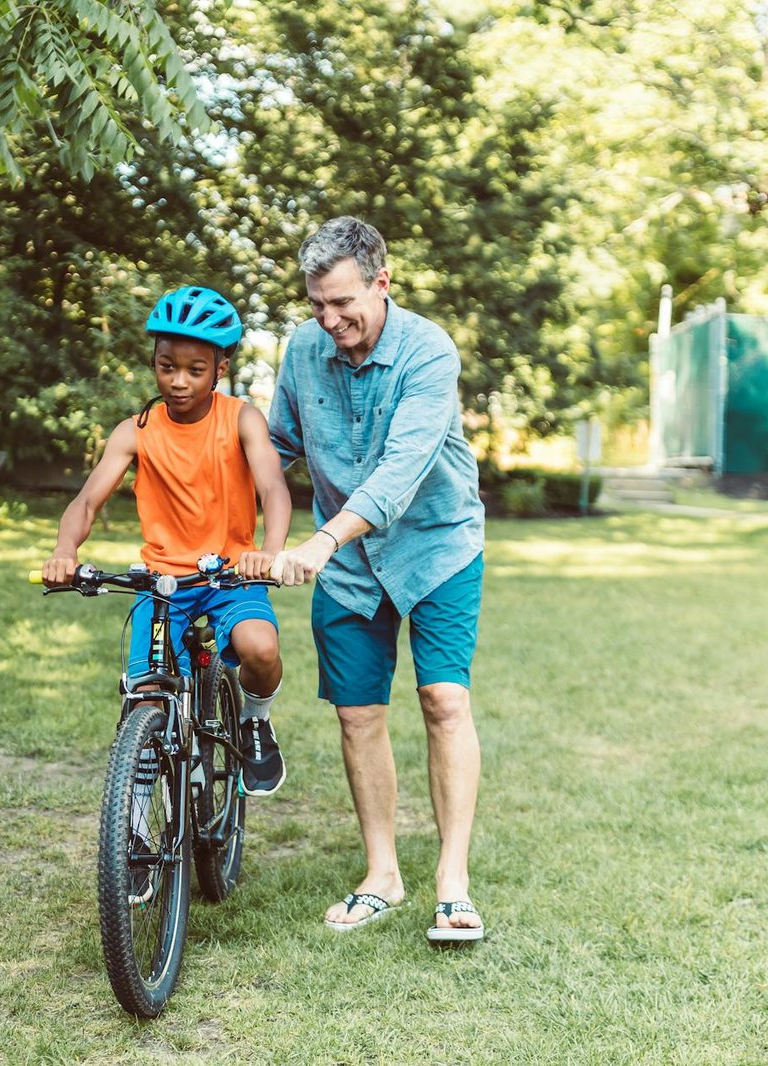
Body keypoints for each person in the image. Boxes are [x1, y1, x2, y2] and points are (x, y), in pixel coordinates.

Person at [268, 217, 486, 941]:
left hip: (436, 546)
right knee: (358, 714)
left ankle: (452, 882)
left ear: (381, 283)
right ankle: (383, 874)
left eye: (342, 303)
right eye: (316, 305)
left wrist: (322, 539)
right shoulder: (304, 350)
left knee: (444, 699)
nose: (329, 321)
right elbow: (275, 445)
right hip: (349, 567)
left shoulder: (429, 351)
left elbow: (400, 471)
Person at [44, 285, 291, 796]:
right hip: (162, 584)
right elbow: (86, 502)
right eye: (166, 366)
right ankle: (132, 816)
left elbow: (273, 488)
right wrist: (65, 551)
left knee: (260, 647)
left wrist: (269, 552)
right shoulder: (136, 430)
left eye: (195, 370)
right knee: (147, 697)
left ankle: (255, 719)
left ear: (220, 368)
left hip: (230, 576)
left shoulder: (241, 418)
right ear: (154, 363)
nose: (179, 381)